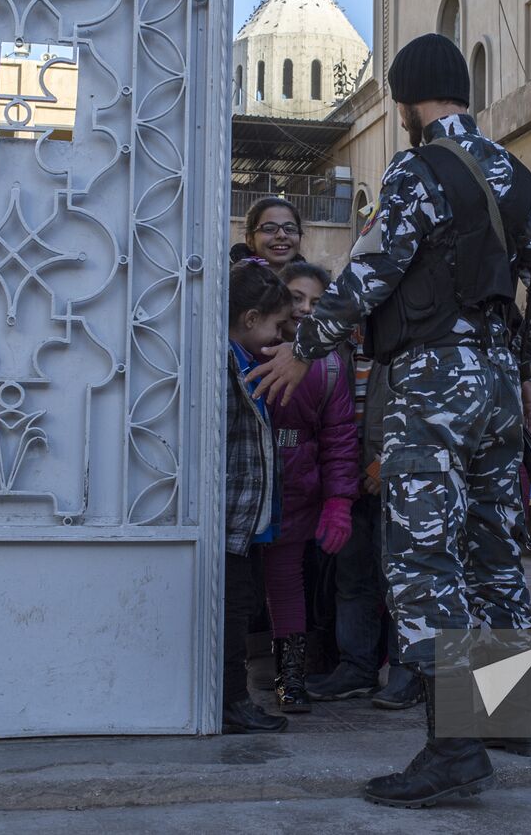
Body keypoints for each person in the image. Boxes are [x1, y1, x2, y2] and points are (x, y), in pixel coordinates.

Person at [250, 33, 531, 807]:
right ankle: (512, 716)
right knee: (495, 551)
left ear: (405, 101)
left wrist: (304, 346)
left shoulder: (417, 168)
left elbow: (369, 273)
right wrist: (520, 363)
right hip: (496, 383)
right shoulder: (513, 172)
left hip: (430, 382)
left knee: (423, 560)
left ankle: (454, 747)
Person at [307, 327, 425, 711]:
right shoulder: (334, 350)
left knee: (401, 581)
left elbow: (420, 411)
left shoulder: (405, 344)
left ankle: (409, 673)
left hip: (396, 483)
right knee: (352, 580)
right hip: (347, 483)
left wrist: (383, 464)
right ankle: (356, 668)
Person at [261, 261, 358, 713]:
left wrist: (339, 499)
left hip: (298, 485)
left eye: (317, 302)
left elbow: (339, 436)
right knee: (234, 584)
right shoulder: (250, 344)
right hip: (246, 480)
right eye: (296, 298)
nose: (304, 309)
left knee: (286, 580)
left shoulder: (332, 363)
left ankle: (290, 679)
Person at [223, 261, 296, 734]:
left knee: (244, 603)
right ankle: (230, 700)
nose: (279, 335)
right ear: (250, 318)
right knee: (233, 610)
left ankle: (234, 697)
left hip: (247, 517)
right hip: (231, 514)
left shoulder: (248, 360)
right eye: (275, 324)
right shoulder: (228, 363)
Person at [243, 197, 305, 271]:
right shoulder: (228, 280)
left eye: (290, 229)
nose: (282, 235)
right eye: (269, 229)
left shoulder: (313, 280)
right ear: (250, 241)